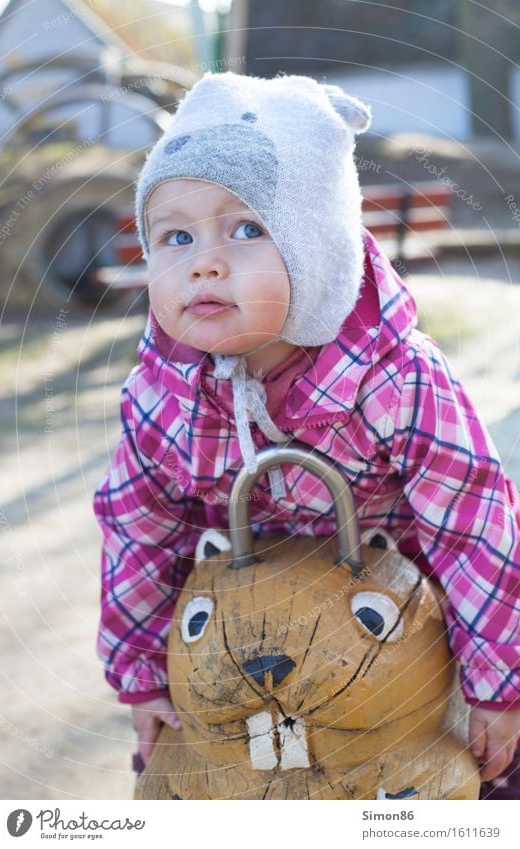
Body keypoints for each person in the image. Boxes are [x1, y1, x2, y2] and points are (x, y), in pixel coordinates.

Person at [93, 71, 519, 790]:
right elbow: (137, 534)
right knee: (200, 778)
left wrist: (496, 684)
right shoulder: (159, 399)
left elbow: (473, 526)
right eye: (174, 235)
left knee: (474, 777)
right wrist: (139, 676)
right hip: (244, 647)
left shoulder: (396, 382)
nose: (203, 259)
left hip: (399, 655)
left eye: (248, 228)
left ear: (317, 248)